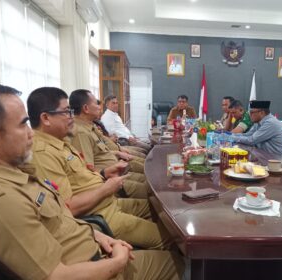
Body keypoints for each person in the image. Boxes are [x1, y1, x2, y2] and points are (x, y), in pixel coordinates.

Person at [0, 83, 183, 280]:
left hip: (99, 238)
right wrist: (116, 262)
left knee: (164, 219)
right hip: (97, 256)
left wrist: (98, 236)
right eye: (22, 124)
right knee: (180, 258)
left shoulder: (16, 171)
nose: (30, 133)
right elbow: (54, 275)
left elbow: (60, 216)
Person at [27, 87, 174, 250]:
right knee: (172, 239)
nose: (71, 117)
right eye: (66, 112)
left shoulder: (60, 143)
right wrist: (106, 188)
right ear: (46, 118)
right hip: (101, 214)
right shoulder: (43, 153)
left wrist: (104, 173)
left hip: (109, 200)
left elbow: (84, 173)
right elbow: (66, 208)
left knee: (158, 208)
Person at [69, 89, 149, 199]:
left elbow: (101, 149)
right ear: (86, 108)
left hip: (118, 167)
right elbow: (88, 169)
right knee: (150, 191)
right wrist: (108, 174)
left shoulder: (90, 126)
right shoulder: (80, 133)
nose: (99, 107)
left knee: (149, 176)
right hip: (112, 179)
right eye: (96, 104)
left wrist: (117, 151)